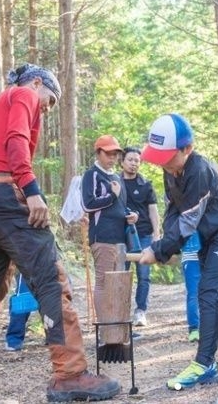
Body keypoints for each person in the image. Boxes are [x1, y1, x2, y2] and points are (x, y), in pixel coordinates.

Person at [0, 64, 120, 402]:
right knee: (50, 280)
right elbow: (16, 141)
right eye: (50, 99)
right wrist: (32, 190)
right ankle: (70, 374)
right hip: (5, 198)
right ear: (37, 83)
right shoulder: (22, 93)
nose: (47, 107)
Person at [137, 113, 218, 390]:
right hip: (211, 232)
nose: (163, 164)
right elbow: (174, 210)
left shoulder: (199, 170)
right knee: (217, 291)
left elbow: (188, 218)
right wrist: (165, 246)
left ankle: (205, 364)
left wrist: (160, 250)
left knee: (208, 291)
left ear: (187, 149)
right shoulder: (172, 170)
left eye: (167, 157)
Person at [80, 135, 138, 336]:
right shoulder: (91, 175)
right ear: (98, 153)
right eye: (109, 153)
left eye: (115, 154)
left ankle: (119, 327)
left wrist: (131, 215)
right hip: (102, 237)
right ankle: (105, 330)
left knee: (118, 282)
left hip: (120, 239)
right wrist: (111, 195)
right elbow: (87, 204)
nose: (113, 157)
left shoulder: (116, 177)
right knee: (104, 282)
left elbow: (120, 206)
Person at [120, 146, 161, 326]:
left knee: (144, 275)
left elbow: (153, 211)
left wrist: (157, 234)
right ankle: (120, 312)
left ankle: (140, 311)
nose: (134, 163)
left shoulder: (146, 185)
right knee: (121, 274)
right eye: (130, 160)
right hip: (120, 236)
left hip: (143, 234)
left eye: (137, 160)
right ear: (122, 162)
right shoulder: (115, 183)